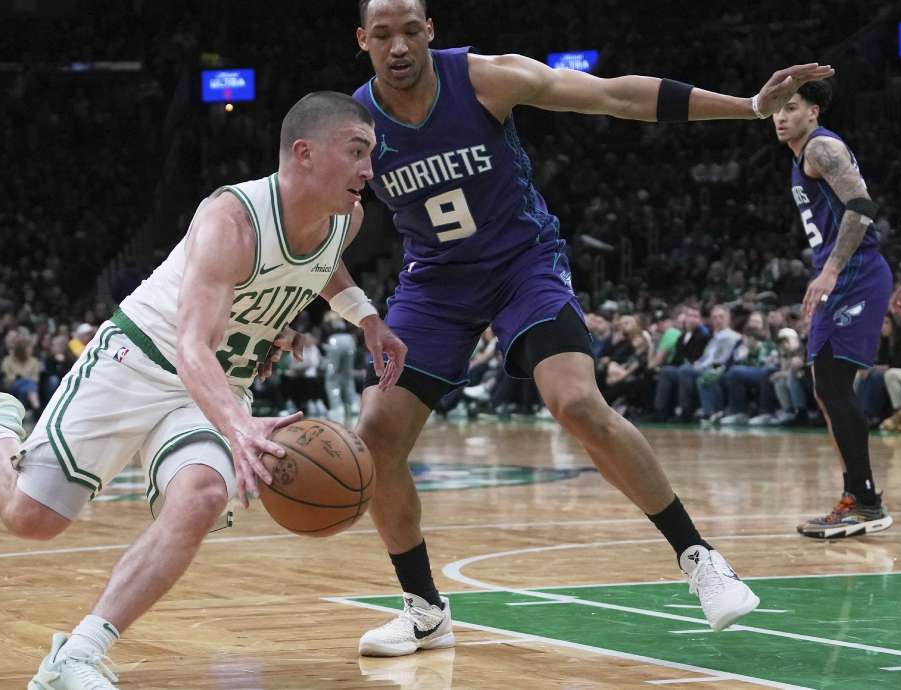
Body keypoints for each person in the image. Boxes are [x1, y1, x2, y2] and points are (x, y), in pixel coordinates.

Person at [346, 0, 834, 652]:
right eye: (383, 34)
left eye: (411, 30)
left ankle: (700, 559)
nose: (399, 45)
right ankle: (424, 608)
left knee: (575, 400)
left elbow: (613, 97)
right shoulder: (354, 125)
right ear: (363, 41)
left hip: (522, 265)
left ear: (430, 30)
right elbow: (319, 222)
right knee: (376, 431)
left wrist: (747, 106)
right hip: (434, 284)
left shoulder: (486, 78)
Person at [0, 91, 405, 690]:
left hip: (214, 386)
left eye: (370, 154)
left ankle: (77, 655)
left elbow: (320, 267)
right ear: (305, 154)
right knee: (32, 519)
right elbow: (192, 344)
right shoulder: (232, 219)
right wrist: (240, 428)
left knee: (201, 494)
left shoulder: (346, 219)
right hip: (138, 362)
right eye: (357, 152)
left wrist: (364, 316)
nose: (370, 170)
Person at [773, 80, 893, 538]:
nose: (781, 117)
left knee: (833, 382)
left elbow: (862, 206)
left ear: (814, 112)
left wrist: (831, 271)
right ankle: (856, 496)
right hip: (841, 277)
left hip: (856, 274)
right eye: (776, 111)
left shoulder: (821, 148)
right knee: (825, 386)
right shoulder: (803, 154)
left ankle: (865, 501)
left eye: (791, 108)